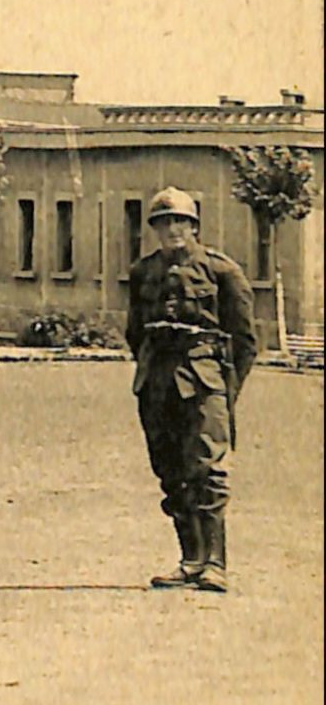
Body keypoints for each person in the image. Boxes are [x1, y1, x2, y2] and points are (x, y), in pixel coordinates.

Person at [126, 186, 256, 593]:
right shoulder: (143, 272)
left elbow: (245, 339)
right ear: (154, 229)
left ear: (194, 226)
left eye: (180, 222)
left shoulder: (222, 272)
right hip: (158, 382)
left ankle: (215, 564)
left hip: (204, 381)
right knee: (170, 471)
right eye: (163, 223)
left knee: (208, 469)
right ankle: (190, 559)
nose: (172, 230)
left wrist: (225, 389)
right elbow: (135, 331)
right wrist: (150, 371)